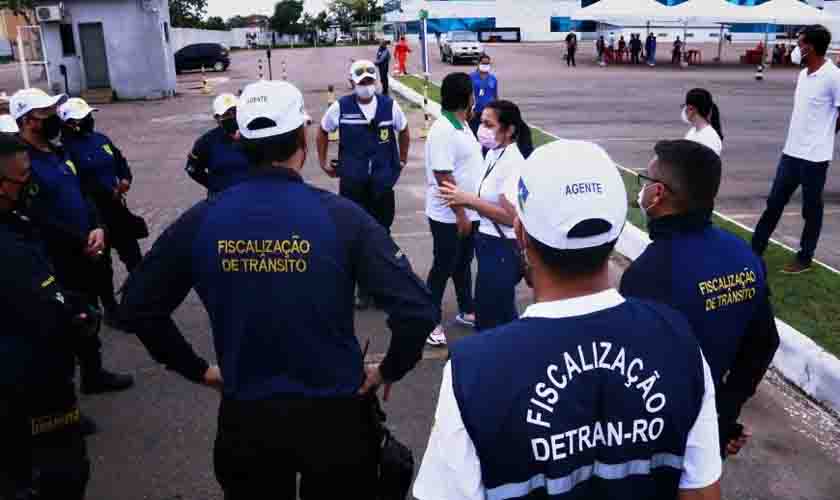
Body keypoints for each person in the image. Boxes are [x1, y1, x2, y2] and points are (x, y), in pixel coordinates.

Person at [119, 80, 437, 500]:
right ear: (303, 139)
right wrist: (388, 369)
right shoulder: (343, 218)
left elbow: (139, 306)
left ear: (241, 144)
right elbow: (416, 310)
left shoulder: (202, 221)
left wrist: (199, 370)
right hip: (336, 417)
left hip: (247, 417)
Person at [414, 140, 723, 500]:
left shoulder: (473, 370)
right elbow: (702, 493)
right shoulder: (679, 342)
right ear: (616, 233)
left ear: (521, 234)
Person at [621, 140, 780, 460]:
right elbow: (763, 343)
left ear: (659, 194)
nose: (642, 190)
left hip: (658, 441)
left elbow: (629, 376)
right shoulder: (743, 255)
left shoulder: (647, 275)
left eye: (646, 181)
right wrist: (721, 417)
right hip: (707, 433)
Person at [12, 88, 133, 396]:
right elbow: (36, 217)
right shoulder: (22, 163)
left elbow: (83, 195)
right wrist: (81, 240)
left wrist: (97, 227)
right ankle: (60, 404)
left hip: (85, 249)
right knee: (60, 326)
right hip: (56, 257)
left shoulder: (59, 152)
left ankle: (94, 374)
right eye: (46, 115)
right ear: (27, 121)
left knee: (88, 314)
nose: (54, 118)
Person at [0, 133, 91, 500]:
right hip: (29, 383)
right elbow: (41, 309)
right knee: (60, 473)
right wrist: (75, 314)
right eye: (22, 179)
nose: (29, 185)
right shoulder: (7, 246)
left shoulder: (17, 221)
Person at [317, 59, 411, 308]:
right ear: (352, 83)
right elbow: (323, 130)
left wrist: (401, 160)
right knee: (354, 235)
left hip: (381, 184)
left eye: (370, 82)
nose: (366, 87)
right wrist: (323, 162)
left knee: (382, 234)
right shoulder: (341, 107)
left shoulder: (390, 106)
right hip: (353, 183)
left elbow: (404, 130)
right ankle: (362, 288)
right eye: (361, 83)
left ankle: (382, 286)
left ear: (376, 82)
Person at [752, 25, 840, 274]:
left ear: (810, 47)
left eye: (800, 43)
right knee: (774, 203)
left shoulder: (834, 76)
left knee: (811, 209)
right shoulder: (803, 75)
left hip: (815, 157)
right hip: (791, 153)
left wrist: (824, 136)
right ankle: (755, 249)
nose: (796, 48)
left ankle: (805, 257)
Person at [438, 100, 532, 331]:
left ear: (509, 130)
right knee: (497, 312)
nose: (482, 129)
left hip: (502, 248)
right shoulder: (493, 154)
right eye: (481, 123)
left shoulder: (513, 162)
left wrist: (468, 200)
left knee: (493, 317)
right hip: (489, 244)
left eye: (489, 125)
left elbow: (511, 218)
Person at [58, 97, 144, 326]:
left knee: (134, 256)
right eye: (84, 118)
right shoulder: (65, 150)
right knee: (102, 267)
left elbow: (120, 160)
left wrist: (125, 179)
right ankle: (111, 310)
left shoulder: (100, 139)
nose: (90, 120)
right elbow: (74, 184)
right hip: (94, 215)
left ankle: (139, 299)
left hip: (117, 210)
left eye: (89, 116)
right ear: (70, 123)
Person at [424, 72, 484, 345]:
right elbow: (443, 176)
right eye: (472, 92)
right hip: (448, 214)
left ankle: (467, 309)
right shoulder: (443, 130)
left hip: (467, 211)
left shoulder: (461, 124)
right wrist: (460, 213)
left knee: (462, 263)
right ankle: (428, 319)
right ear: (466, 97)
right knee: (443, 266)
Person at [185, 93, 250, 198]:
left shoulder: (253, 135)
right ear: (217, 118)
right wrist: (215, 186)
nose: (233, 116)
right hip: (221, 198)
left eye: (235, 111)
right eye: (227, 114)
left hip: (250, 196)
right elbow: (193, 169)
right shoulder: (206, 142)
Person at [682, 88, 724, 156]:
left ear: (691, 109)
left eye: (685, 107)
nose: (684, 111)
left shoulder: (710, 137)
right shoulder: (692, 131)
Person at [469, 54, 499, 135]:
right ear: (478, 63)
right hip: (475, 112)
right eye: (483, 63)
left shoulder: (493, 79)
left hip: (489, 113)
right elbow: (468, 94)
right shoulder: (471, 77)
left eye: (487, 64)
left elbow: (495, 96)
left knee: (487, 135)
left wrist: (497, 110)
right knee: (474, 134)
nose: (485, 65)